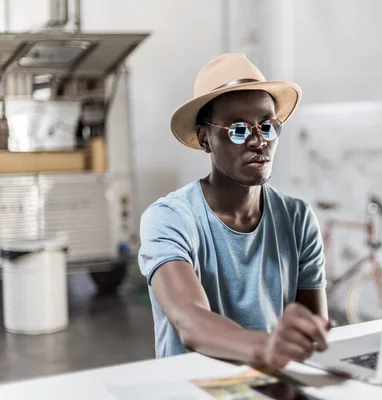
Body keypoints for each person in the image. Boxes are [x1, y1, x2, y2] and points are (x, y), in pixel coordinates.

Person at [138, 53, 330, 369]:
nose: (258, 141)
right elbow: (191, 321)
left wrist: (308, 336)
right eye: (238, 130)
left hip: (270, 384)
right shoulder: (170, 219)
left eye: (268, 126)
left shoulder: (297, 218)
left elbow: (310, 330)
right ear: (205, 139)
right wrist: (268, 347)